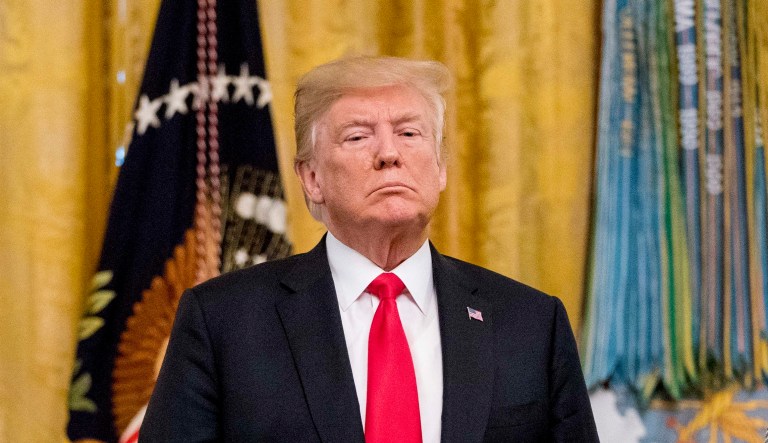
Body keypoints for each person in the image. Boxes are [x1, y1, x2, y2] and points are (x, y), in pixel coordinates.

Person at [141, 56, 599, 442]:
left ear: (439, 168)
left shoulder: (533, 324)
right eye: (358, 136)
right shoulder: (223, 321)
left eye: (409, 133)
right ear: (312, 178)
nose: (388, 153)